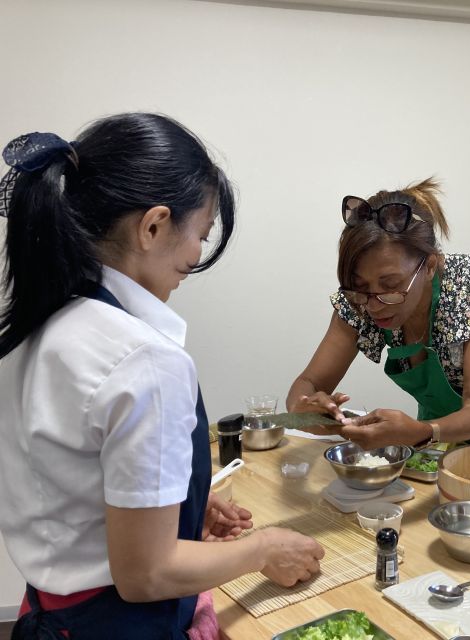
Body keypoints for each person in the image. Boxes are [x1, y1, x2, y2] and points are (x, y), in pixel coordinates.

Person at [0, 113, 324, 639]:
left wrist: (181, 508)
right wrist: (263, 548)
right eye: (200, 234)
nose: (196, 257)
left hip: (47, 616)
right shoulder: (143, 359)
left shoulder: (39, 323)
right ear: (152, 227)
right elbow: (146, 574)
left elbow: (69, 487)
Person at [287, 178, 470, 452]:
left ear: (429, 266)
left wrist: (423, 432)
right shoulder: (358, 302)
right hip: (440, 432)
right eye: (361, 288)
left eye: (391, 286)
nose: (374, 305)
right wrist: (302, 407)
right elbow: (308, 383)